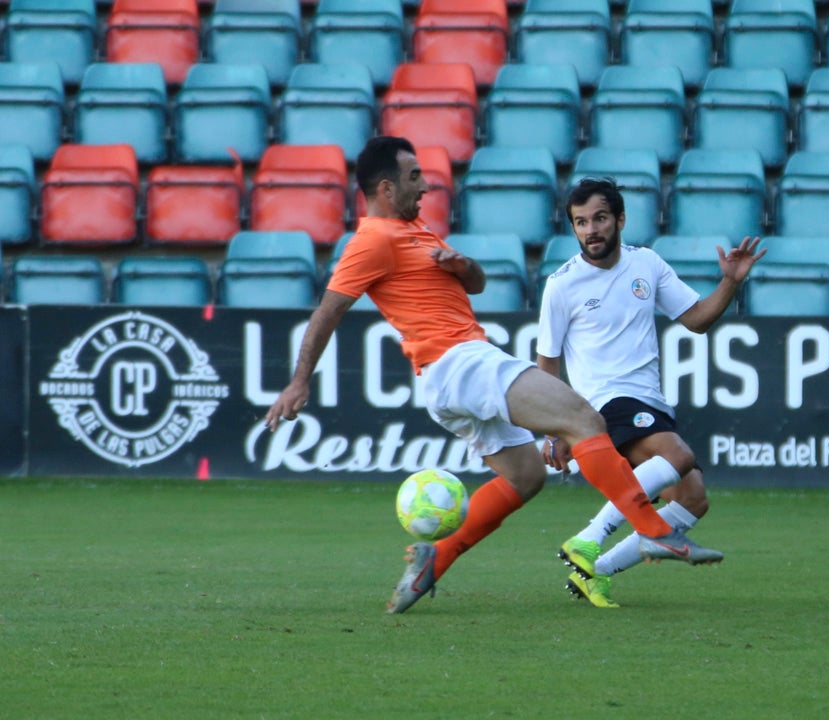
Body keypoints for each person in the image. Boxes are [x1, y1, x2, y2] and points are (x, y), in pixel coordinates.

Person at [263, 136, 726, 614]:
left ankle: (435, 556)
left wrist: (463, 266)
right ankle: (654, 532)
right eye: (414, 177)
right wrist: (300, 380)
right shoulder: (373, 240)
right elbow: (328, 311)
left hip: (451, 375)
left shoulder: (416, 231)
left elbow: (475, 283)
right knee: (584, 419)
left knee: (526, 477)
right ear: (385, 187)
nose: (425, 185)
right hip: (460, 362)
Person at [536, 177, 765, 608]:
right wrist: (555, 430)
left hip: (648, 401)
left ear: (620, 219)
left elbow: (696, 319)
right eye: (581, 222)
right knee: (677, 457)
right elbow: (546, 363)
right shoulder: (561, 285)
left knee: (692, 498)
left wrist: (731, 282)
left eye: (600, 218)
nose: (591, 230)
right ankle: (587, 539)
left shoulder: (647, 264)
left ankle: (594, 572)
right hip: (603, 404)